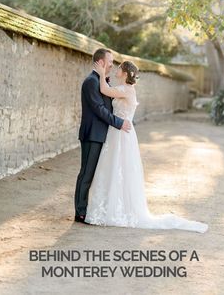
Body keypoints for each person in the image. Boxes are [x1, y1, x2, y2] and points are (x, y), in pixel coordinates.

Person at [84, 59, 209, 233]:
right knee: (114, 168)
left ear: (126, 73)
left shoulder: (125, 90)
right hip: (119, 132)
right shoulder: (125, 89)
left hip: (121, 132)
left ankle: (116, 210)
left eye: (119, 68)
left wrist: (101, 73)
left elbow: (104, 89)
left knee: (119, 168)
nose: (117, 69)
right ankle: (111, 206)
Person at [74, 48, 132, 223]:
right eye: (110, 61)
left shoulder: (101, 82)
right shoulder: (91, 82)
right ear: (100, 62)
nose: (112, 65)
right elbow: (99, 109)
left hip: (102, 136)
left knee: (97, 175)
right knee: (86, 174)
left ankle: (91, 209)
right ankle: (80, 212)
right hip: (93, 135)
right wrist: (119, 122)